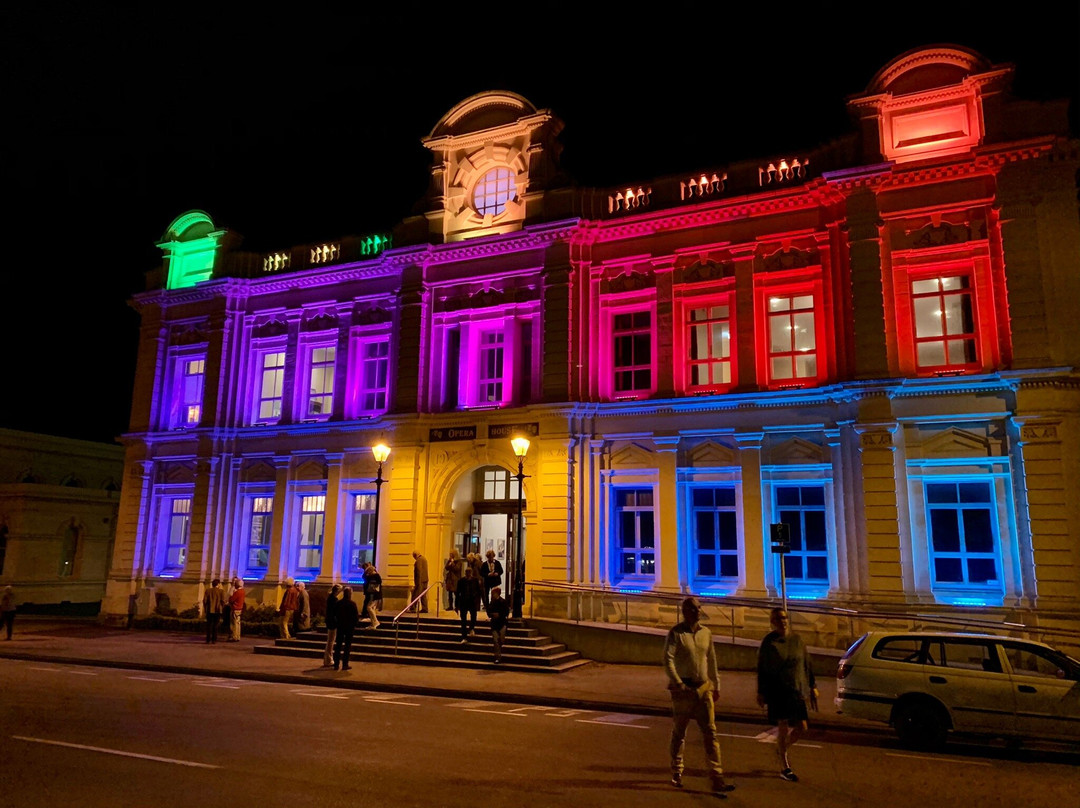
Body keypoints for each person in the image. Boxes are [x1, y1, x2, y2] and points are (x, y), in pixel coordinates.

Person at [662, 596, 734, 795]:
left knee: (710, 733)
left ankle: (717, 776)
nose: (697, 612)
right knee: (679, 732)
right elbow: (668, 659)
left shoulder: (706, 633)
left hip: (703, 689)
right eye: (693, 609)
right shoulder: (676, 633)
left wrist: (716, 685)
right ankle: (677, 771)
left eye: (698, 608)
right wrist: (678, 682)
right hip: (683, 691)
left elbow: (711, 659)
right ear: (685, 611)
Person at [757, 607, 818, 783]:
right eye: (777, 619)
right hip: (778, 690)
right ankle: (785, 766)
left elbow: (806, 662)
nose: (782, 621)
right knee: (782, 727)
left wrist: (812, 685)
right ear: (772, 622)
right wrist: (761, 692)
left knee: (802, 727)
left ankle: (781, 748)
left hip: (796, 689)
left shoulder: (797, 640)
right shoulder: (769, 642)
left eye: (784, 618)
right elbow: (763, 668)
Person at [333, 586, 360, 671]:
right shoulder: (352, 604)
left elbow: (335, 614)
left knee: (338, 646)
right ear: (350, 594)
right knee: (347, 646)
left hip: (340, 626)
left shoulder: (339, 603)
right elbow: (356, 617)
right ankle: (345, 664)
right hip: (349, 627)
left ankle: (336, 664)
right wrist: (354, 624)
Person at [456, 566, 482, 642]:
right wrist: (457, 605)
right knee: (463, 620)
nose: (468, 574)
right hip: (464, 602)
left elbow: (478, 591)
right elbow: (458, 593)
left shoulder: (475, 580)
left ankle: (471, 628)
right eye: (467, 572)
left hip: (472, 601)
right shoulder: (461, 581)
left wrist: (477, 600)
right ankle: (464, 636)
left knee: (473, 616)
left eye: (469, 572)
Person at [485, 585, 510, 663]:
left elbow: (506, 612)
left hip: (502, 622)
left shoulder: (503, 601)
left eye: (494, 593)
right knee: (495, 640)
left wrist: (499, 614)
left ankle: (499, 651)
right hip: (494, 624)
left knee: (501, 639)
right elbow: (488, 612)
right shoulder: (492, 602)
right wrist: (492, 615)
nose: (492, 594)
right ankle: (497, 657)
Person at [323, 584, 342, 667]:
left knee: (330, 641)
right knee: (331, 641)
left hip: (329, 621)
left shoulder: (330, 598)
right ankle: (328, 659)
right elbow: (335, 612)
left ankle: (328, 659)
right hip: (332, 622)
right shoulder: (334, 599)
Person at [203, 578, 225, 644]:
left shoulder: (208, 590)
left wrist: (205, 609)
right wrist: (222, 608)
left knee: (209, 625)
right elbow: (222, 601)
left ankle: (208, 639)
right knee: (215, 625)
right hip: (217, 610)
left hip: (209, 610)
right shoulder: (221, 591)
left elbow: (204, 601)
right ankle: (214, 639)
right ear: (218, 584)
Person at [362, 562, 382, 629]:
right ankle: (373, 623)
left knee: (369, 607)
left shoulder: (374, 576)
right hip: (375, 594)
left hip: (374, 595)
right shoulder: (375, 576)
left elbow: (365, 577)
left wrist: (366, 572)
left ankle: (375, 622)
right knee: (371, 608)